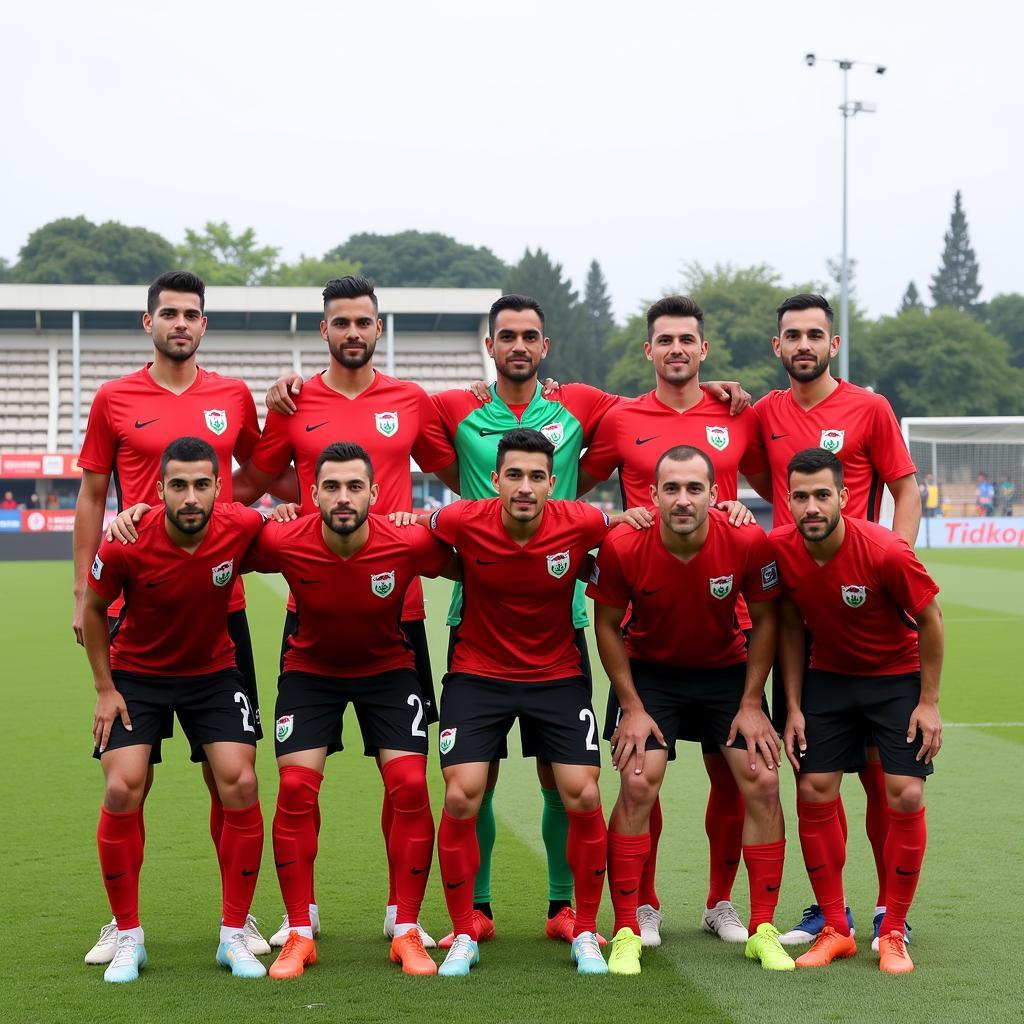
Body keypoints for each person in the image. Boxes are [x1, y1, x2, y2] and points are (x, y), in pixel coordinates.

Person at [235, 275, 458, 947]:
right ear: (323, 330)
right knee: (299, 785)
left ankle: (402, 912)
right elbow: (255, 476)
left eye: (363, 322)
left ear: (378, 329)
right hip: (317, 606)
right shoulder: (297, 401)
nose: (353, 332)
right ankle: (301, 916)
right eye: (341, 323)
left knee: (406, 781)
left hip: (401, 613)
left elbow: (461, 472)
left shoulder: (410, 401)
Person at [74, 270, 278, 964]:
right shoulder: (114, 398)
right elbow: (93, 495)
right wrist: (83, 593)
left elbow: (265, 474)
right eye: (170, 314)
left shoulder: (231, 396)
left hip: (225, 613)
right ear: (148, 322)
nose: (181, 324)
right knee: (130, 779)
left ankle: (238, 919)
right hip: (136, 607)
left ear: (204, 325)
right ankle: (121, 923)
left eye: (192, 314)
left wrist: (227, 507)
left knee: (232, 774)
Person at [578, 295, 769, 948]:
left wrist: (743, 514)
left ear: (703, 349)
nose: (677, 349)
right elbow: (568, 489)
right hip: (645, 634)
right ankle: (645, 905)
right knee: (641, 779)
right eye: (665, 340)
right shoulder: (619, 416)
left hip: (727, 633)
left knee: (737, 778)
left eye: (688, 339)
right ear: (649, 350)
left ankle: (722, 902)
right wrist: (611, 523)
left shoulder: (736, 412)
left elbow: (785, 487)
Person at [241, 442, 456, 978]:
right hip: (311, 672)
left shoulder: (406, 541)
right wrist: (142, 512)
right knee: (294, 789)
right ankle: (299, 932)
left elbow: (477, 558)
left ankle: (405, 929)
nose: (343, 497)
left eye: (354, 487)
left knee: (409, 783)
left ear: (374, 494)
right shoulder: (284, 537)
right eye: (331, 487)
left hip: (388, 671)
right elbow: (216, 534)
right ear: (311, 494)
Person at [752, 293, 922, 948]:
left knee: (885, 772)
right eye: (791, 334)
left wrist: (893, 564)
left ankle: (888, 911)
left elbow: (905, 487)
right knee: (812, 772)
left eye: (814, 334)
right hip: (797, 604)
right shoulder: (765, 413)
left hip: (865, 606)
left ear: (833, 344)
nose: (803, 344)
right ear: (778, 347)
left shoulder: (869, 408)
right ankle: (832, 912)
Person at [588, 444, 792, 975]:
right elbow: (606, 624)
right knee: (638, 781)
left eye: (694, 488)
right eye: (671, 489)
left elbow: (767, 620)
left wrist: (752, 702)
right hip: (650, 673)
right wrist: (630, 706)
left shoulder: (747, 539)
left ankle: (754, 923)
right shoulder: (623, 544)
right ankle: (633, 921)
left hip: (727, 672)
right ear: (652, 495)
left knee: (760, 780)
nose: (683, 499)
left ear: (715, 494)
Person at [422, 429, 615, 977]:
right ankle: (465, 930)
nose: (525, 487)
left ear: (552, 483)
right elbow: (420, 533)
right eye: (514, 475)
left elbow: (625, 525)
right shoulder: (462, 519)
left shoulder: (580, 521)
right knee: (462, 793)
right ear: (496, 480)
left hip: (557, 674)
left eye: (536, 477)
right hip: (477, 673)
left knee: (581, 793)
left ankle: (583, 928)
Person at [82, 438, 268, 982]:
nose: (191, 497)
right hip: (137, 677)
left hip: (213, 676)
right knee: (122, 787)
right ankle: (128, 935)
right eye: (179, 485)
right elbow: (94, 611)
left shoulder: (239, 527)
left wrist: (282, 509)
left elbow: (300, 530)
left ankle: (234, 934)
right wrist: (103, 688)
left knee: (241, 782)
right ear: (159, 490)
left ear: (217, 489)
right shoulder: (125, 542)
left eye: (202, 484)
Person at [771, 448, 942, 974]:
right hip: (829, 680)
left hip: (895, 679)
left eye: (822, 495)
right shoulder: (780, 548)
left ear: (843, 497)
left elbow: (931, 620)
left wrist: (929, 704)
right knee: (812, 788)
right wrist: (794, 706)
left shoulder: (886, 550)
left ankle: (892, 932)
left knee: (905, 791)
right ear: (788, 500)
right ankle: (835, 929)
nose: (811, 507)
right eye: (800, 496)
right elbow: (793, 627)